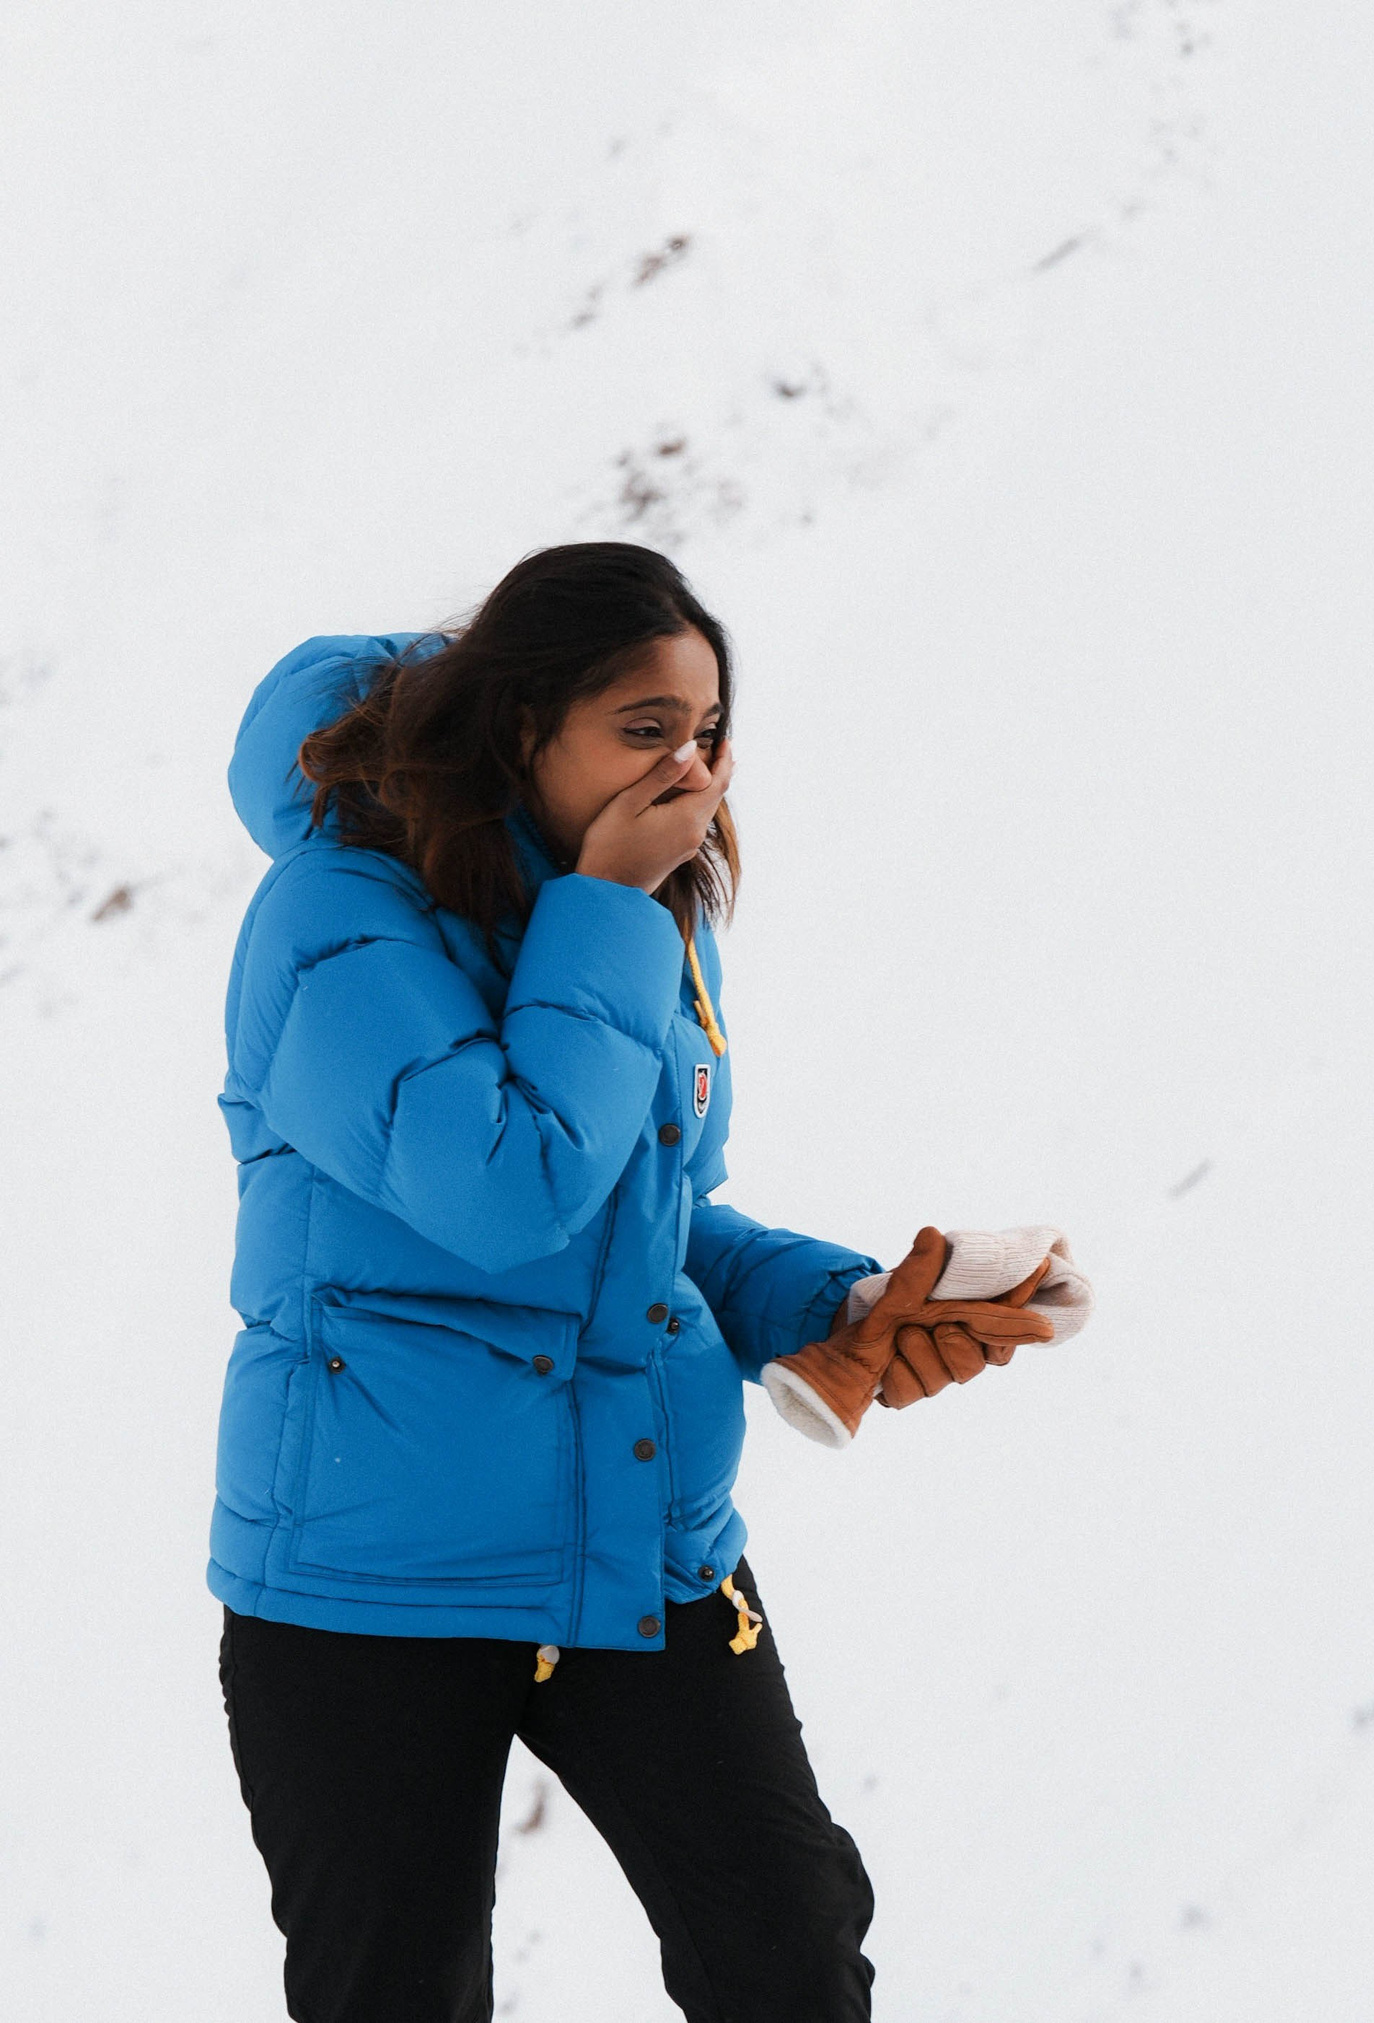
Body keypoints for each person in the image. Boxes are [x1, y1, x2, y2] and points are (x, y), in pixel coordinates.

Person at [210, 543, 1057, 2022]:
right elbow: (505, 1190)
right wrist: (606, 905)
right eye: (646, 728)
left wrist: (840, 1306)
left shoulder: (641, 911)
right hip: (376, 1581)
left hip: (635, 1538)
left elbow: (647, 1222)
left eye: (709, 731)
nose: (692, 768)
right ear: (521, 724)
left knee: (791, 1957)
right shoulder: (339, 917)